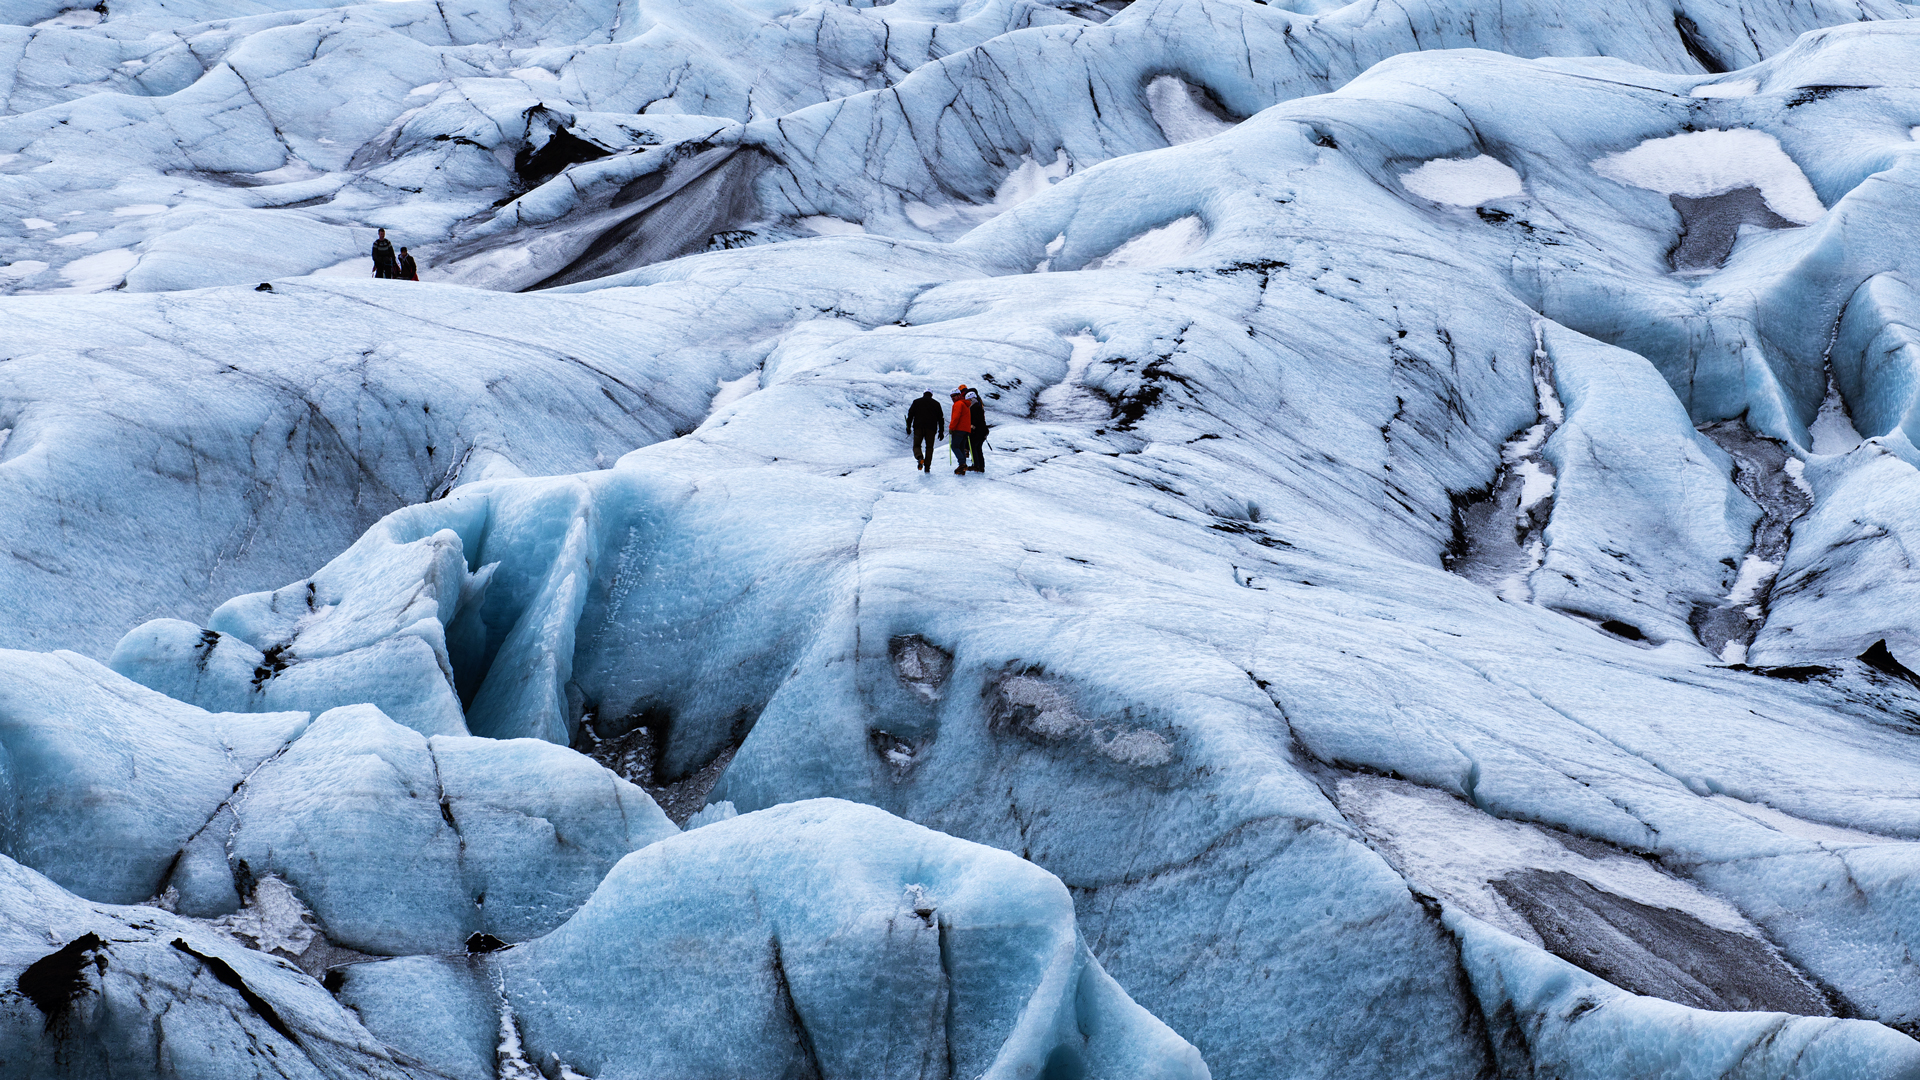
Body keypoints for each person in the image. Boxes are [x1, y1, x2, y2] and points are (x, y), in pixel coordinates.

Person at [906, 391, 944, 472]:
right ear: (931, 395)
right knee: (929, 448)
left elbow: (910, 415)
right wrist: (941, 431)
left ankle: (919, 457)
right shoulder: (936, 404)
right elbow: (940, 419)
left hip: (918, 428)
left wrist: (908, 427)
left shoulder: (916, 402)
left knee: (916, 445)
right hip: (931, 429)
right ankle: (927, 467)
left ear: (924, 394)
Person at [948, 385, 973, 475]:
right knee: (961, 447)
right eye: (951, 396)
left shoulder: (958, 404)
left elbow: (956, 417)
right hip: (966, 430)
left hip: (959, 429)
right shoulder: (965, 404)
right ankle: (963, 466)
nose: (952, 398)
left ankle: (962, 464)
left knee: (954, 446)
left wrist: (951, 428)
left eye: (954, 396)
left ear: (959, 395)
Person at [966, 387, 988, 472]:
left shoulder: (974, 407)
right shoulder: (978, 406)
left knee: (974, 447)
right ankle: (981, 466)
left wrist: (972, 427)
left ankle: (976, 465)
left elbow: (975, 420)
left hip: (977, 431)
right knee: (978, 448)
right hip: (982, 431)